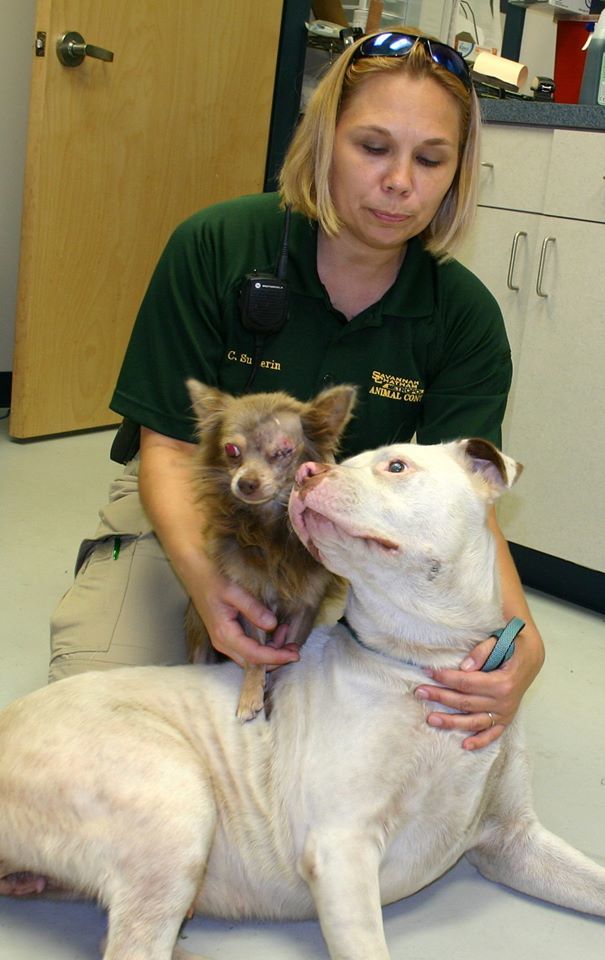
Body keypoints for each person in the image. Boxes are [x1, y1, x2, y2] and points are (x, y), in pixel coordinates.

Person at [49, 30, 544, 751]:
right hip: (203, 510)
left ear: (457, 173)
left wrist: (522, 640)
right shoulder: (214, 244)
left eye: (430, 159)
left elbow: (467, 506)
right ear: (323, 140)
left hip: (351, 546)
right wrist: (205, 585)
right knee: (93, 730)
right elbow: (164, 448)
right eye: (373, 147)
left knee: (345, 745)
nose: (401, 181)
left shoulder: (462, 317)